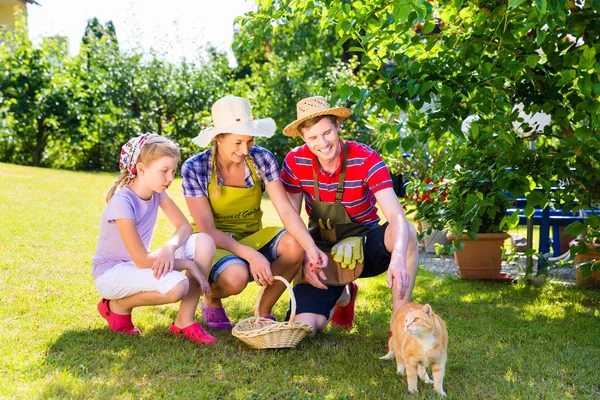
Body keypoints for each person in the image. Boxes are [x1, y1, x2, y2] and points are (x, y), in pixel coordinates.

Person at [181, 95, 328, 330]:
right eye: (237, 143)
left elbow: (286, 212)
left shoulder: (261, 158)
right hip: (212, 243)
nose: (245, 149)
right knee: (236, 278)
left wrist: (311, 248)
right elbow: (207, 229)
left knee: (295, 245)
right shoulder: (194, 168)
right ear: (218, 138)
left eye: (249, 141)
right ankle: (212, 297)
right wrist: (250, 255)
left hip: (251, 235)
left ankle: (263, 310)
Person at [280, 96, 419, 337]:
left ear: (337, 126)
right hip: (322, 252)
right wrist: (305, 257)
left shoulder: (365, 158)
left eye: (327, 133)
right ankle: (344, 293)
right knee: (303, 329)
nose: (322, 143)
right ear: (302, 138)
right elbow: (291, 218)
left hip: (365, 248)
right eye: (312, 137)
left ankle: (398, 330)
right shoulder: (294, 161)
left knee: (408, 232)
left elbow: (396, 216)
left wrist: (397, 258)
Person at [92, 133, 217, 344]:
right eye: (164, 171)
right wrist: (187, 264)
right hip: (112, 274)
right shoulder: (122, 201)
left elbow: (184, 227)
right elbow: (141, 259)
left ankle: (184, 322)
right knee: (178, 286)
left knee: (204, 242)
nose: (170, 178)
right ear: (141, 169)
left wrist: (170, 246)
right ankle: (118, 306)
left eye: (173, 171)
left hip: (138, 264)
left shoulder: (157, 192)